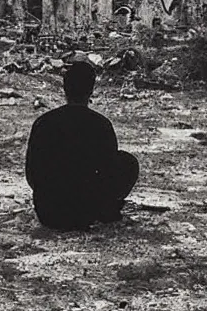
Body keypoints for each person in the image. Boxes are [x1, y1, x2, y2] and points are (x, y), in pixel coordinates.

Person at [25, 62, 139, 230]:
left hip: (49, 213)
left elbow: (31, 175)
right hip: (87, 213)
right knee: (128, 162)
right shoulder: (101, 125)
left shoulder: (44, 122)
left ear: (64, 88)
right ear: (91, 89)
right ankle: (105, 211)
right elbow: (110, 170)